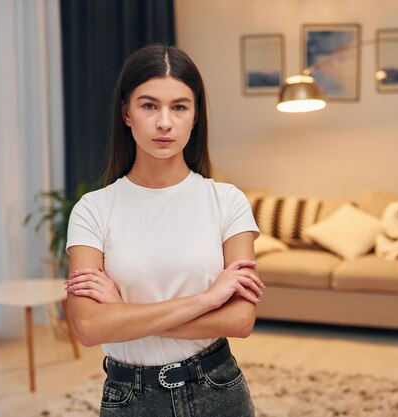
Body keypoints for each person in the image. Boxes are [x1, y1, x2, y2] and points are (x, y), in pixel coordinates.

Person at [64, 44, 263, 417]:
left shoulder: (227, 201)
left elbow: (239, 319)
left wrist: (123, 315)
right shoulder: (93, 210)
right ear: (126, 112)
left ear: (195, 116)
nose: (164, 123)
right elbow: (90, 327)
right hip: (129, 399)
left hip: (217, 389)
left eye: (179, 107)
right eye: (149, 105)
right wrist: (206, 300)